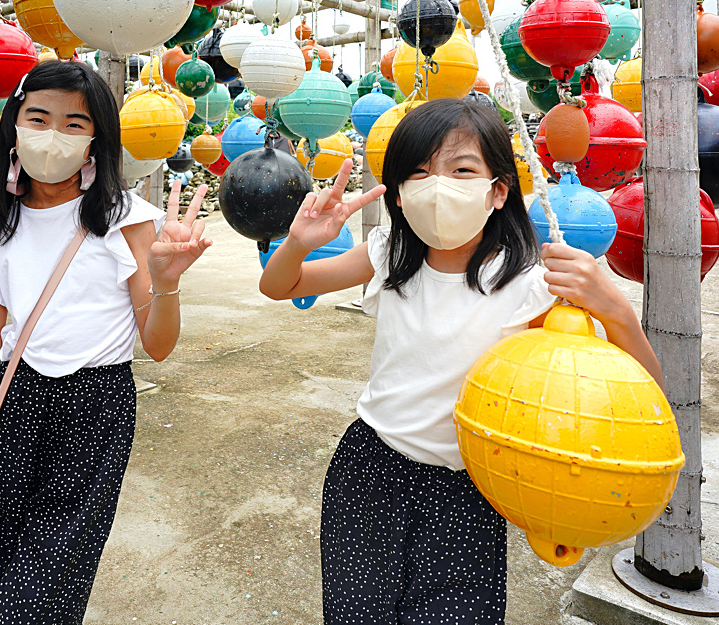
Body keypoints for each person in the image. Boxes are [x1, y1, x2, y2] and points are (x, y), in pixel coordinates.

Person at [259, 98, 663, 624]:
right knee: (355, 613)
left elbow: (644, 402)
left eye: (462, 169)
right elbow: (279, 286)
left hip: (469, 492)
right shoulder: (388, 254)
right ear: (400, 195)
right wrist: (297, 241)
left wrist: (614, 309)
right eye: (419, 173)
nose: (438, 186)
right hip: (369, 471)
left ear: (498, 191)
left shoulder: (532, 287)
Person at [0, 61, 212, 624]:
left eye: (74, 124)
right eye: (39, 117)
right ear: (13, 126)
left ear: (96, 142)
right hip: (13, 409)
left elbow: (155, 345)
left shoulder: (125, 219)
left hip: (95, 411)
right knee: (16, 582)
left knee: (36, 604)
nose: (53, 135)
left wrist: (168, 282)